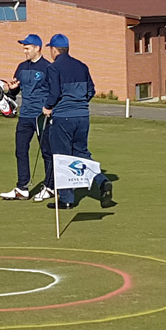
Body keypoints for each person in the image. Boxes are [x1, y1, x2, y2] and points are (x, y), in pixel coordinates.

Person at [41, 34, 114, 209]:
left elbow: (55, 93)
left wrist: (47, 107)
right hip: (82, 116)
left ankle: (66, 199)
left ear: (54, 50)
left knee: (61, 156)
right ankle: (102, 181)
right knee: (81, 152)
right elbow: (91, 91)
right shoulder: (82, 66)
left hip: (63, 116)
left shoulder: (54, 67)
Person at [0, 34, 53, 202]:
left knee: (46, 151)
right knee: (20, 150)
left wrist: (50, 108)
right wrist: (13, 89)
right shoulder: (21, 67)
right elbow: (14, 92)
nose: (25, 51)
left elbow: (55, 91)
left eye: (27, 48)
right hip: (25, 115)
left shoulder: (48, 67)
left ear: (37, 48)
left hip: (41, 115)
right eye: (23, 48)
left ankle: (50, 186)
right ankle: (22, 188)